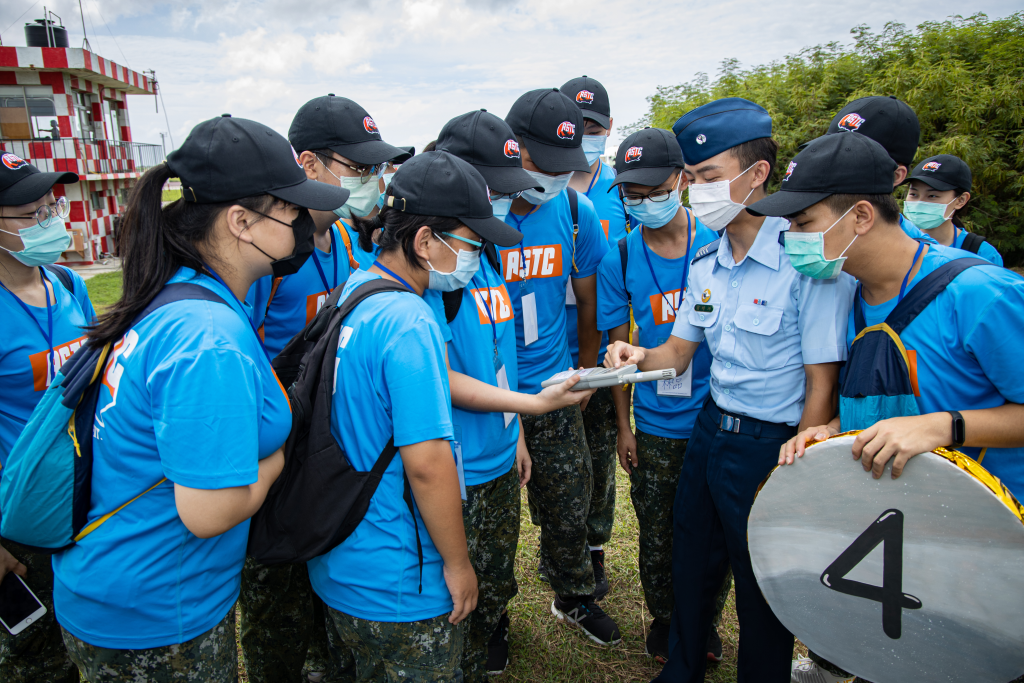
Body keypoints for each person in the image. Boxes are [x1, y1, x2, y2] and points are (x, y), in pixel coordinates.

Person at [49, 115, 347, 681]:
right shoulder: (207, 338)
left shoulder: (181, 293)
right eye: (292, 210)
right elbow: (209, 512)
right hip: (155, 611)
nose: (303, 223)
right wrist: (278, 456)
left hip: (136, 587)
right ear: (241, 221)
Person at [607, 97, 855, 683]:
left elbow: (822, 383)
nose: (695, 192)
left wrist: (800, 468)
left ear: (757, 173)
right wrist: (635, 355)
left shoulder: (803, 259)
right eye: (691, 179)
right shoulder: (708, 261)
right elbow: (677, 352)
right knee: (691, 560)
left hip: (773, 443)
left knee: (761, 580)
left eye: (708, 177)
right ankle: (682, 668)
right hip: (711, 431)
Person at [761, 133, 1024, 683]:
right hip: (899, 539)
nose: (792, 240)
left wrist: (944, 426)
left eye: (803, 223)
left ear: (860, 216)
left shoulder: (978, 292)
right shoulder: (850, 294)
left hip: (989, 546)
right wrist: (834, 430)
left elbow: (932, 417)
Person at [308, 150, 521, 680]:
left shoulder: (356, 289)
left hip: (344, 561)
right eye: (471, 243)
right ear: (425, 241)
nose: (476, 256)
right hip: (401, 578)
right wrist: (459, 564)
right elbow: (426, 465)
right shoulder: (410, 320)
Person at [432, 108, 595, 679]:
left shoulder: (485, 256)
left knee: (510, 554)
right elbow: (436, 374)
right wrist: (527, 408)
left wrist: (519, 428)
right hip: (461, 450)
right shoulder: (440, 269)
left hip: (506, 434)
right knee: (462, 566)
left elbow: (499, 354)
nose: (505, 202)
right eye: (496, 191)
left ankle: (551, 601)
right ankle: (474, 641)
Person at [239, 93, 391, 683]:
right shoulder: (270, 253)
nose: (371, 181)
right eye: (358, 168)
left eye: (376, 168)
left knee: (323, 585)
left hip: (323, 446)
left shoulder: (347, 240)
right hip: (272, 448)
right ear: (307, 164)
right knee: (277, 605)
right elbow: (241, 353)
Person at [596, 127, 730, 665]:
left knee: (711, 528)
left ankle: (705, 621)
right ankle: (666, 620)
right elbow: (617, 351)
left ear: (681, 181)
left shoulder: (719, 241)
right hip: (656, 419)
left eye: (655, 191)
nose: (644, 204)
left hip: (717, 412)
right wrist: (624, 427)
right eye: (633, 194)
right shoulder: (620, 257)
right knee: (657, 529)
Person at [501, 87, 622, 644]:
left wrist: (585, 371)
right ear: (512, 148)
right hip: (489, 393)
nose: (552, 176)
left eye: (562, 166)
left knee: (570, 500)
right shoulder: (479, 215)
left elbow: (590, 303)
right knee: (492, 514)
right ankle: (492, 616)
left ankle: (573, 594)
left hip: (553, 381)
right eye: (541, 162)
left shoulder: (575, 211)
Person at [0, 154, 91, 683]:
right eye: (31, 215)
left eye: (52, 208)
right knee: (37, 662)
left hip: (81, 501)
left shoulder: (67, 284)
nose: (50, 222)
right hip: (19, 519)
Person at [561, 76, 628, 591]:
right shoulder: (542, 189)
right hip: (547, 349)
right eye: (576, 126)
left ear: (608, 128)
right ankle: (560, 547)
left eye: (595, 127)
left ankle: (594, 546)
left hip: (603, 347)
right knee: (556, 459)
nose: (586, 135)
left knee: (599, 451)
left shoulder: (624, 190)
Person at [825, 96, 936, 244]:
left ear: (895, 175)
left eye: (851, 158)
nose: (829, 166)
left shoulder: (921, 253)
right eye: (827, 152)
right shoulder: (809, 231)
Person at [903, 153, 1002, 265]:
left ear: (961, 200)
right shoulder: (896, 242)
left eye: (932, 196)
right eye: (914, 194)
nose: (919, 203)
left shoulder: (982, 254)